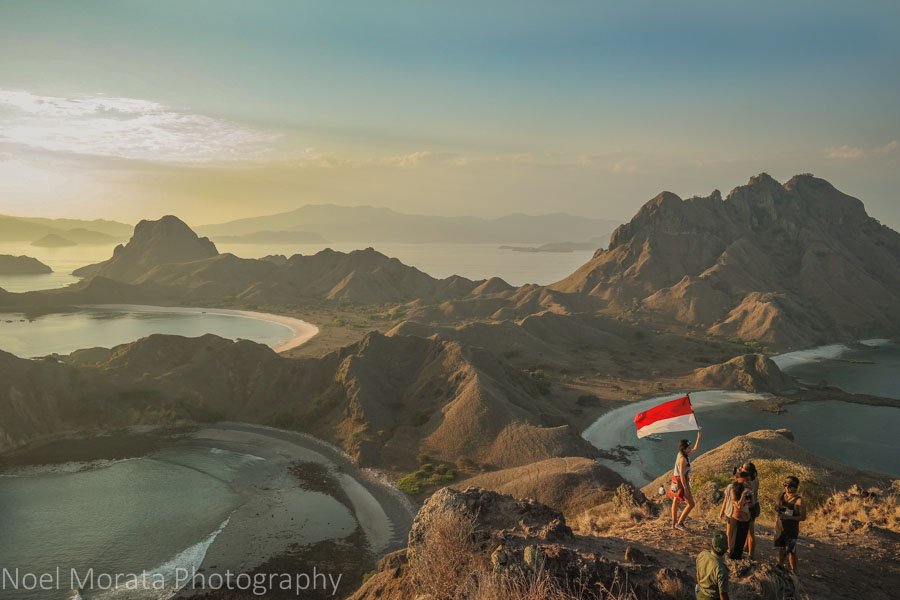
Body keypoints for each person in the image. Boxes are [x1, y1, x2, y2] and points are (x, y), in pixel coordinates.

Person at [669, 428, 701, 530]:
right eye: (688, 448)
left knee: (675, 502)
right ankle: (680, 523)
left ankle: (674, 523)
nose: (690, 449)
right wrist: (685, 488)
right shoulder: (683, 459)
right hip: (680, 481)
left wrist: (698, 437)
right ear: (684, 449)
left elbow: (695, 449)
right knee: (691, 504)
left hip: (675, 480)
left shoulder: (682, 454)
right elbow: (682, 475)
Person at [774, 475, 806, 573]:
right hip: (780, 526)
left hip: (791, 529)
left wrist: (788, 517)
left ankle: (793, 571)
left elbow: (803, 517)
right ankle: (780, 565)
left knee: (791, 550)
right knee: (781, 547)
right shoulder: (782, 495)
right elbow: (777, 506)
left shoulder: (799, 500)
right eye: (785, 485)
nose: (787, 488)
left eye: (790, 486)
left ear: (795, 487)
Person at [695, 530, 730, 600]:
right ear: (726, 549)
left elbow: (698, 576)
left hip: (699, 593)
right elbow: (723, 594)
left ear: (712, 545)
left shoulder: (702, 554)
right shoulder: (722, 570)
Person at [728, 472, 753, 560]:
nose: (748, 482)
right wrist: (743, 495)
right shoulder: (733, 489)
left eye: (749, 480)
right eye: (746, 480)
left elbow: (750, 504)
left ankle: (738, 559)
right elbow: (738, 505)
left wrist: (750, 495)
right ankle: (732, 559)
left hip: (746, 519)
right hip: (737, 519)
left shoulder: (748, 491)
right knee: (734, 543)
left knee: (741, 542)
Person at [741, 462, 760, 558]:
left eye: (742, 468)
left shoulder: (747, 482)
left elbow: (747, 497)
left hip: (749, 508)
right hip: (755, 505)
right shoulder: (755, 479)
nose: (741, 469)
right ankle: (746, 547)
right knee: (749, 531)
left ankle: (751, 555)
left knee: (750, 533)